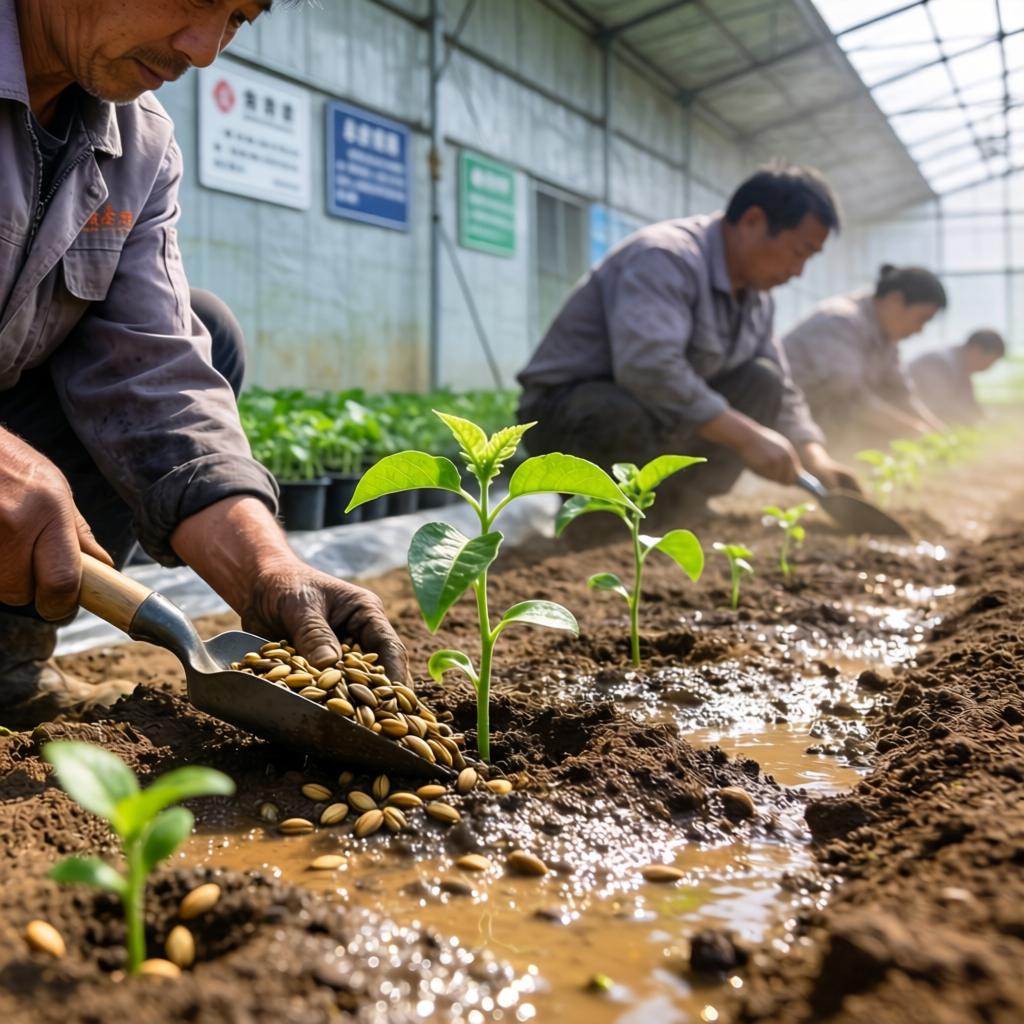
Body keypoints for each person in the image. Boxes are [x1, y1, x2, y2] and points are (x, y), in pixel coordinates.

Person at [0, 0, 406, 728]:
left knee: (206, 329)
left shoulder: (139, 142)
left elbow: (152, 375)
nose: (206, 49)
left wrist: (266, 571)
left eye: (239, 19)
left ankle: (4, 663)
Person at [516, 164, 859, 517]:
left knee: (762, 381)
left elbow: (783, 388)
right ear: (753, 221)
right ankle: (600, 523)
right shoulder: (665, 258)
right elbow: (648, 369)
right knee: (614, 410)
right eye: (798, 251)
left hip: (657, 416)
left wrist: (815, 458)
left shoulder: (757, 297)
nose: (798, 271)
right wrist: (747, 436)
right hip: (570, 412)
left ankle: (683, 508)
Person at [782, 264, 948, 452]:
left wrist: (938, 430)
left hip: (819, 423)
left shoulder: (886, 339)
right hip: (785, 422)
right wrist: (914, 430)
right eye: (921, 319)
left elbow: (900, 393)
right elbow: (849, 398)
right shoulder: (840, 321)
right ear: (895, 300)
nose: (919, 330)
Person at [908, 329, 1006, 426]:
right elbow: (941, 405)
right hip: (911, 423)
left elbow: (970, 405)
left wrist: (989, 420)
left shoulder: (962, 368)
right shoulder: (939, 362)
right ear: (976, 350)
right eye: (991, 361)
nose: (989, 367)